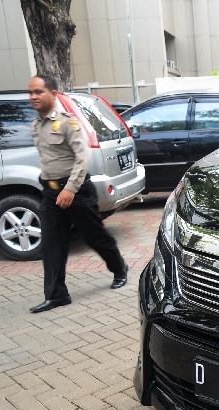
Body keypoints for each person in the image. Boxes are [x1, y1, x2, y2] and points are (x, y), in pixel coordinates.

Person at [28, 74, 128, 313]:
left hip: (77, 191)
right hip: (51, 194)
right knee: (52, 244)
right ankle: (57, 295)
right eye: (30, 92)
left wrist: (70, 189)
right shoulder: (36, 125)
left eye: (38, 92)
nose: (33, 97)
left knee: (94, 237)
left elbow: (82, 159)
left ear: (52, 94)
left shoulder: (68, 122)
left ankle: (119, 268)